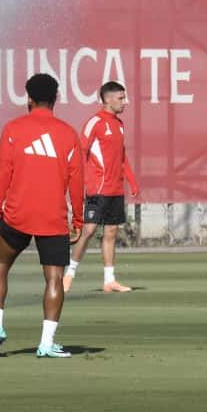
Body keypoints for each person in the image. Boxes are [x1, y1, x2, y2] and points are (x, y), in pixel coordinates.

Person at [0, 74, 83, 358]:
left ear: (28, 98)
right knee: (54, 280)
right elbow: (77, 180)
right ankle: (46, 343)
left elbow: (3, 173)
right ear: (56, 98)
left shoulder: (13, 129)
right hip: (53, 218)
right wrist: (77, 220)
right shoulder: (68, 133)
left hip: (16, 215)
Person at [64, 81, 139, 294]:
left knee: (111, 232)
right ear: (107, 99)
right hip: (97, 188)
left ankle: (109, 280)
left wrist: (131, 181)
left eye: (125, 97)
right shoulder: (94, 123)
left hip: (116, 189)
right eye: (121, 98)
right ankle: (69, 274)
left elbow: (122, 156)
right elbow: (80, 153)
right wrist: (81, 182)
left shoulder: (120, 124)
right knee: (88, 230)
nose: (125, 102)